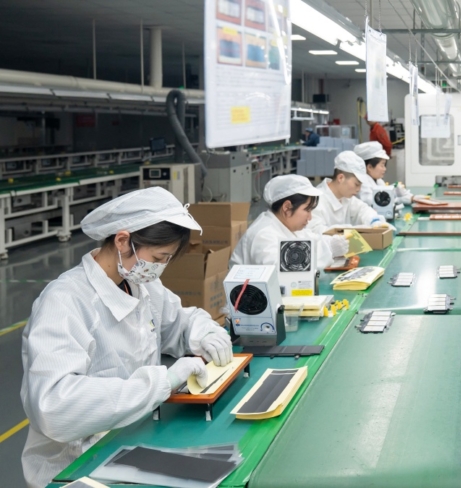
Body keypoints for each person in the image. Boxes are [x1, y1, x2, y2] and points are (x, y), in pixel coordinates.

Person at [20, 187, 233, 488]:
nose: (159, 269)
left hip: (134, 442)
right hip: (77, 467)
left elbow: (179, 320)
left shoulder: (139, 284)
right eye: (158, 257)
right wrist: (162, 382)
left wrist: (204, 332)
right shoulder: (65, 302)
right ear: (122, 241)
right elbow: (54, 406)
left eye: (167, 259)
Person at [230, 175, 349, 269]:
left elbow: (311, 239)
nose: (310, 217)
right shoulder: (263, 235)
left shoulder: (288, 226)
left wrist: (331, 241)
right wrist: (329, 250)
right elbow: (284, 269)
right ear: (287, 207)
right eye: (307, 210)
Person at [308, 151, 393, 234]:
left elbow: (363, 210)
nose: (359, 189)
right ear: (341, 178)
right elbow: (317, 232)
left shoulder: (346, 197)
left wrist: (375, 221)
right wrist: (347, 230)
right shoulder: (316, 201)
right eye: (356, 184)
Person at [354, 141, 414, 207]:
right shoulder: (362, 184)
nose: (385, 169)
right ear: (370, 167)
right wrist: (400, 200)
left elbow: (384, 195)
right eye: (382, 165)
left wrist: (396, 190)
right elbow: (376, 203)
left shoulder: (378, 180)